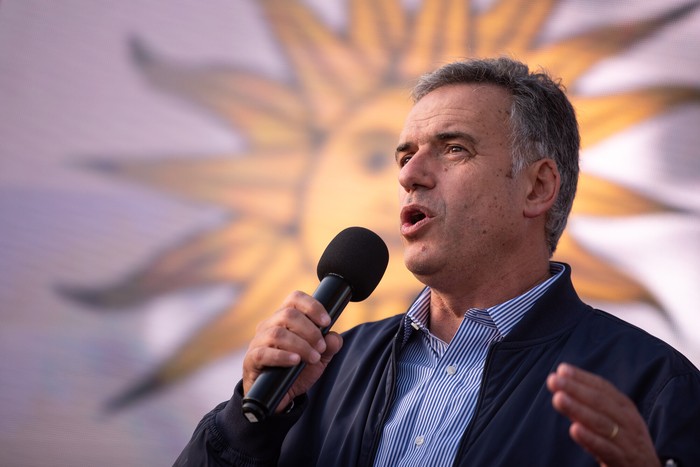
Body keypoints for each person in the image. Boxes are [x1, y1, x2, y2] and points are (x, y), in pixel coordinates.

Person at [175, 57, 700, 466]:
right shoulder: (325, 368)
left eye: (453, 149)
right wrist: (247, 424)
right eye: (405, 156)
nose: (411, 175)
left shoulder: (652, 385)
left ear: (537, 187)